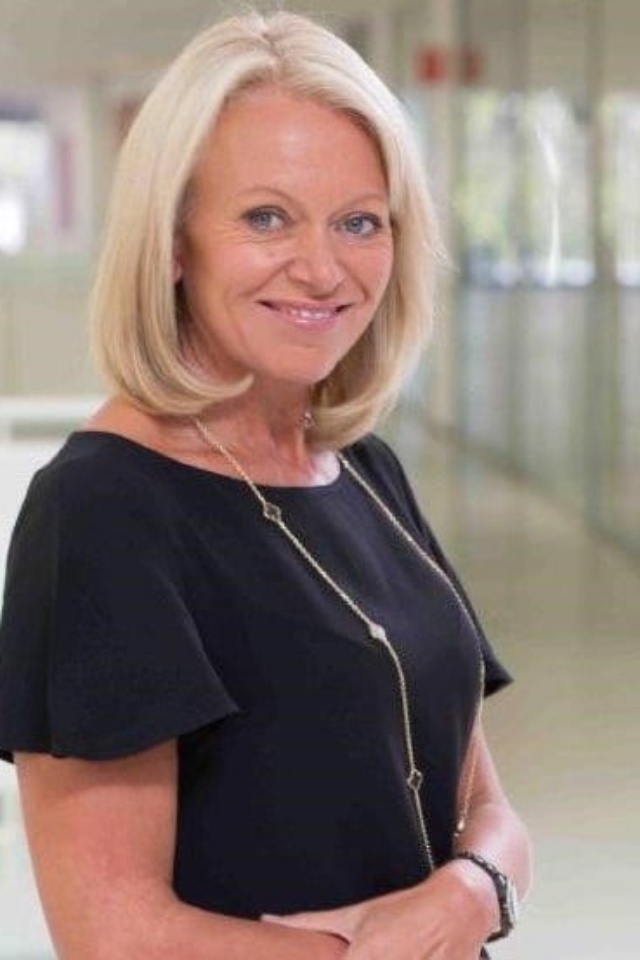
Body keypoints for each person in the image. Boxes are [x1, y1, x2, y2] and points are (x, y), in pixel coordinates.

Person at [0, 10, 532, 959]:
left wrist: (469, 891)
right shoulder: (100, 513)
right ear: (171, 243)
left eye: (359, 222)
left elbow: (483, 805)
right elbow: (110, 932)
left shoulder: (362, 468)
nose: (323, 269)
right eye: (266, 217)